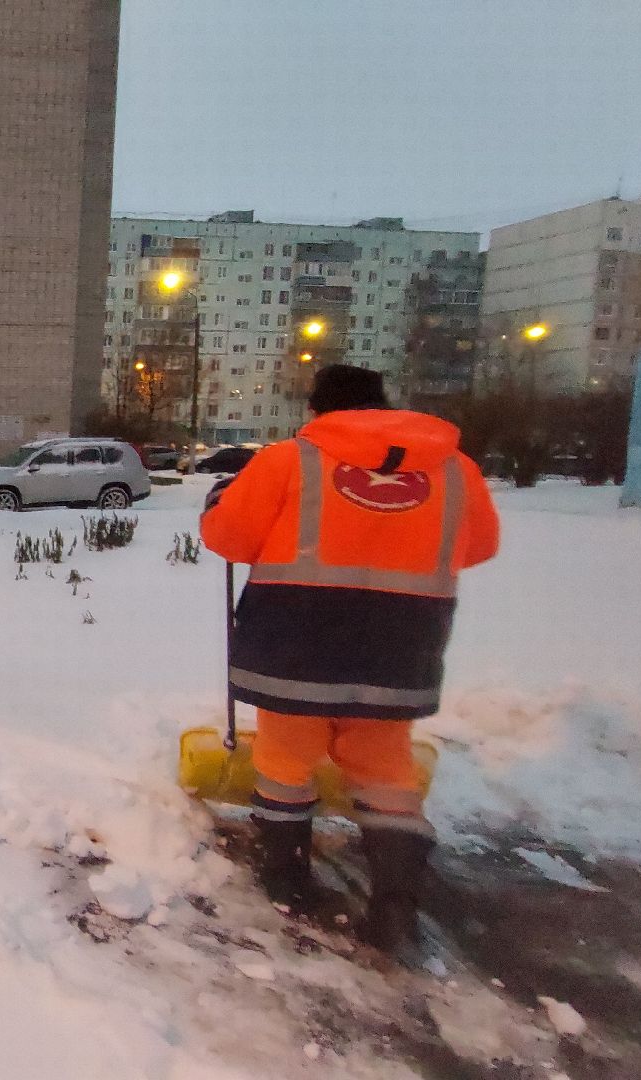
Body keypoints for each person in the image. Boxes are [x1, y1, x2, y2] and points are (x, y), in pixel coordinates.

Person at [199, 364, 499, 951]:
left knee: (286, 759)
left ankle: (287, 879)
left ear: (319, 411)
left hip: (298, 640)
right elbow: (480, 545)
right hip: (400, 644)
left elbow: (228, 538)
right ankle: (394, 905)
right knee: (385, 765)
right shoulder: (455, 469)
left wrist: (219, 501)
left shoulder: (289, 460)